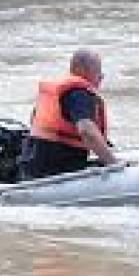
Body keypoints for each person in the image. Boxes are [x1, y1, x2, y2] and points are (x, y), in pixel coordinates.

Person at [20, 49, 118, 180]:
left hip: (33, 166)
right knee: (109, 165)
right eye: (98, 71)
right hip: (57, 169)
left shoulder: (56, 92)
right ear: (82, 70)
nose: (101, 76)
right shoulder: (79, 94)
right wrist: (114, 164)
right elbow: (87, 131)